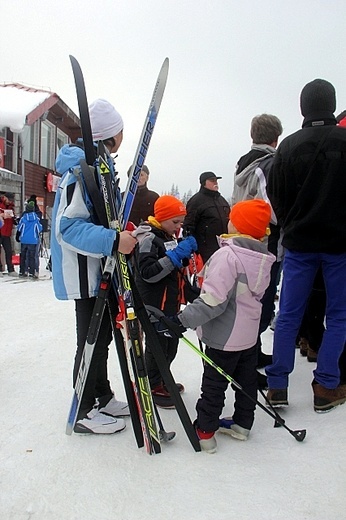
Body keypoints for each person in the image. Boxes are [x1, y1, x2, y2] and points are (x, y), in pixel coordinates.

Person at [159, 199, 274, 453]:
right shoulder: (262, 257)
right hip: (248, 336)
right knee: (246, 381)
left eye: (233, 218)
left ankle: (205, 432)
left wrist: (182, 320)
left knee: (214, 385)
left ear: (239, 226)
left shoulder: (229, 256)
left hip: (224, 337)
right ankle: (243, 424)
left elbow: (214, 302)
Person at [51, 98, 137, 434]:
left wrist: (119, 234)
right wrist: (112, 241)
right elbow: (67, 228)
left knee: (102, 337)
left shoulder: (99, 169)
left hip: (101, 270)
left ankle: (101, 395)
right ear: (109, 136)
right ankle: (84, 408)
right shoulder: (78, 172)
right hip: (86, 273)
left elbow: (99, 219)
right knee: (90, 340)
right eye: (119, 132)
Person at [265, 79, 346, 413]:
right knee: (340, 315)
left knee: (289, 314)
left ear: (302, 108)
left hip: (299, 243)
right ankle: (327, 384)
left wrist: (290, 221)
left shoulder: (287, 147)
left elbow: (275, 192)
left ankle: (278, 385)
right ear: (332, 104)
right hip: (339, 244)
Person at [231, 114, 283, 382]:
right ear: (276, 137)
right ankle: (246, 365)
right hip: (264, 243)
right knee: (260, 304)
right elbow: (269, 209)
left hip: (243, 240)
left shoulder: (243, 162)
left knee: (249, 300)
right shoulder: (268, 164)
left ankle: (253, 352)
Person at [134, 195, 197, 408]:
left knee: (171, 345)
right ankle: (151, 384)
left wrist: (184, 257)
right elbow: (148, 273)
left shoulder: (167, 237)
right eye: (175, 222)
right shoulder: (149, 238)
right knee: (157, 347)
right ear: (161, 218)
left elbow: (173, 272)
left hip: (170, 304)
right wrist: (174, 257)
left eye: (181, 222)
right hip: (153, 306)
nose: (178, 227)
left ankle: (160, 379)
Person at [183, 171, 230, 263]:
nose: (215, 182)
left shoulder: (222, 200)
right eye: (212, 180)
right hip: (205, 250)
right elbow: (189, 225)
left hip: (224, 247)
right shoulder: (196, 201)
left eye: (216, 180)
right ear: (204, 183)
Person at [16, 200, 42, 279]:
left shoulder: (23, 218)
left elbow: (19, 228)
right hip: (33, 240)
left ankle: (22, 271)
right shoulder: (36, 219)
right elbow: (39, 228)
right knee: (32, 256)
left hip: (24, 239)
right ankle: (32, 272)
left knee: (23, 255)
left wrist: (18, 236)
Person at [0, 192, 17, 276]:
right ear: (4, 197)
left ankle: (11, 269)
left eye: (10, 201)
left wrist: (15, 219)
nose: (9, 202)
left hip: (7, 233)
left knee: (9, 251)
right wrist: (1, 215)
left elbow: (13, 219)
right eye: (8, 200)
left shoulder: (11, 207)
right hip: (0, 230)